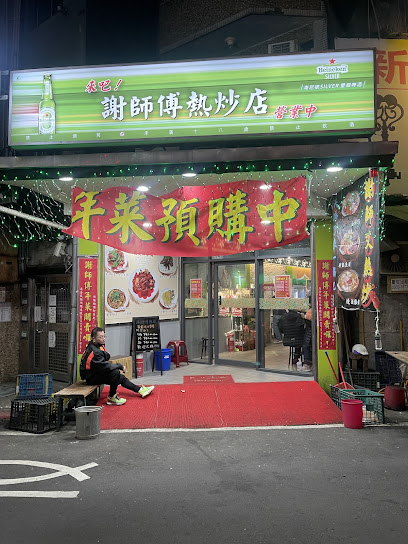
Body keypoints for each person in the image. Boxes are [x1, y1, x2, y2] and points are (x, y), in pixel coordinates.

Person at [80, 327, 154, 406]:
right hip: (90, 378)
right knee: (115, 373)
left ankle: (140, 390)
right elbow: (106, 366)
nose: (103, 339)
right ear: (94, 339)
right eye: (100, 337)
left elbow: (105, 360)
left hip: (94, 372)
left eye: (104, 336)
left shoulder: (93, 345)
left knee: (119, 377)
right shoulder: (95, 352)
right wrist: (120, 366)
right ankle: (112, 397)